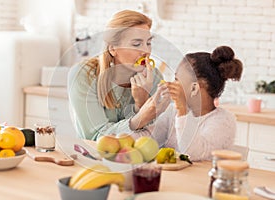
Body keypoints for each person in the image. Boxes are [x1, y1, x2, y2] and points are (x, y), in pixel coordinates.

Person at [68, 10, 170, 140]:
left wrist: (141, 103)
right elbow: (95, 136)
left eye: (148, 43)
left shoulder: (154, 77)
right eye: (137, 44)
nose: (146, 51)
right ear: (112, 49)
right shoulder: (84, 75)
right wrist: (141, 114)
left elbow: (155, 135)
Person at [132, 46, 243, 161]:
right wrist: (120, 139)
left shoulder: (223, 121)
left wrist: (182, 109)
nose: (172, 83)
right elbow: (150, 137)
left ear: (194, 88)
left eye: (177, 79)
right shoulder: (172, 112)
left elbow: (194, 154)